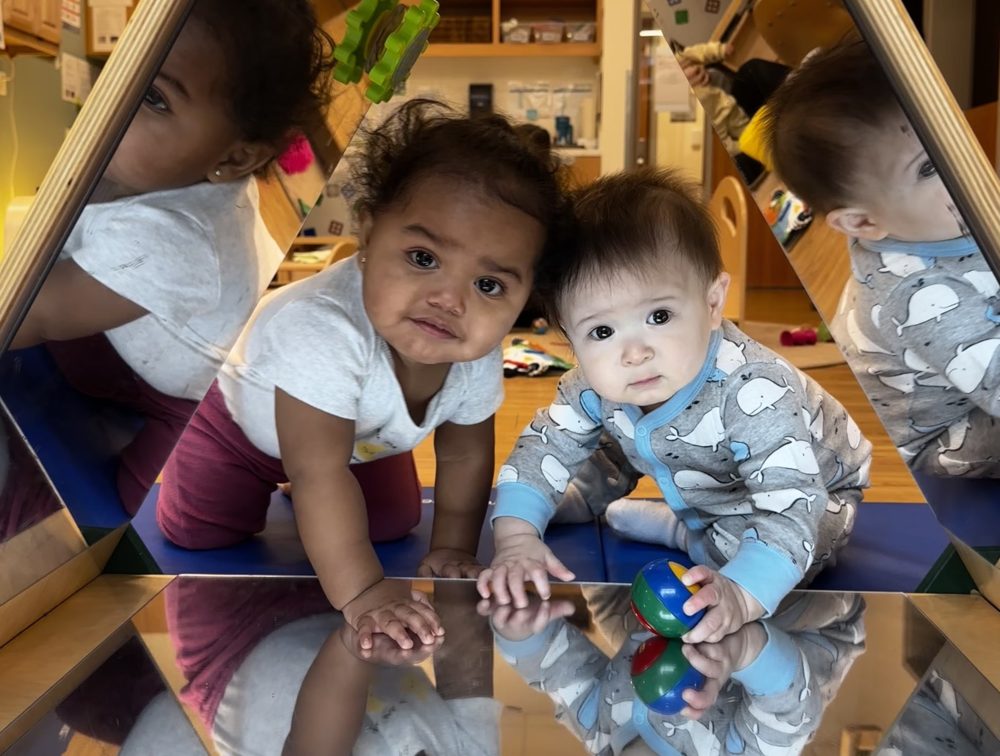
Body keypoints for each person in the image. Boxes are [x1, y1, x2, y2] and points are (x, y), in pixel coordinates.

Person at [156, 98, 571, 649]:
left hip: (357, 440)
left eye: (490, 285)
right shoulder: (323, 328)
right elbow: (319, 473)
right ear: (370, 234)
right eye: (424, 257)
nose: (449, 299)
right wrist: (362, 593)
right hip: (237, 430)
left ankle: (313, 498)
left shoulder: (475, 351)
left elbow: (465, 454)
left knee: (392, 522)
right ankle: (256, 486)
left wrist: (452, 548)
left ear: (525, 295)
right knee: (200, 534)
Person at [478, 168, 872, 644]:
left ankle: (685, 533)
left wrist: (743, 594)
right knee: (608, 435)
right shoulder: (592, 381)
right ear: (569, 338)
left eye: (659, 316)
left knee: (779, 544)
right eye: (601, 332)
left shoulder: (754, 388)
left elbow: (791, 499)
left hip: (816, 488)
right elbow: (544, 445)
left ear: (711, 303)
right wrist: (518, 538)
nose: (634, 352)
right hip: (697, 467)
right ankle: (595, 500)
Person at [8, 0, 331, 513]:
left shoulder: (175, 238)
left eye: (154, 98)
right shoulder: (153, 166)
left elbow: (34, 312)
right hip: (120, 347)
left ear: (235, 157)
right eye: (119, 72)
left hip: (185, 401)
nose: (113, 101)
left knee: (137, 515)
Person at [762, 33, 1000, 478]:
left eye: (952, 137)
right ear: (862, 223)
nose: (963, 165)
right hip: (950, 436)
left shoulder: (936, 215)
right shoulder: (918, 296)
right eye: (928, 168)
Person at [483, 589, 866, 755]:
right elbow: (790, 709)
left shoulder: (599, 732)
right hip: (802, 635)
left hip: (663, 640)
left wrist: (522, 633)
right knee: (763, 598)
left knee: (606, 587)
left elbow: (555, 671)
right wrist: (742, 650)